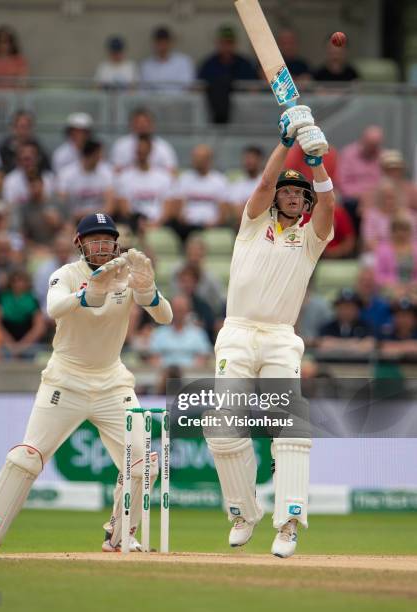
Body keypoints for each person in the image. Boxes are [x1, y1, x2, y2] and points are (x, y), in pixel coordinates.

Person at [0, 213, 173, 554]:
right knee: (27, 457)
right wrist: (87, 295)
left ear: (116, 243)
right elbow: (53, 308)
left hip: (112, 385)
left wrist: (149, 291)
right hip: (65, 381)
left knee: (143, 462)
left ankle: (119, 536)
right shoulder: (66, 274)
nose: (102, 246)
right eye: (94, 239)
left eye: (108, 239)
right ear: (79, 243)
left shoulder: (128, 275)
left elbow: (165, 317)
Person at [205, 104, 334, 558]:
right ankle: (244, 512)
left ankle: (290, 523)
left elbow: (329, 206)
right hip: (237, 332)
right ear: (278, 197)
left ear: (307, 201)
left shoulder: (312, 239)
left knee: (291, 428)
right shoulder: (252, 224)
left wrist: (317, 166)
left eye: (301, 193)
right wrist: (285, 144)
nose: (293, 196)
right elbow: (262, 183)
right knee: (221, 427)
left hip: (280, 335)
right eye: (287, 191)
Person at [197, 25, 258, 124]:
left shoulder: (245, 63)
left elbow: (254, 88)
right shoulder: (208, 63)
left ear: (235, 43)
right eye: (223, 42)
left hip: (244, 117)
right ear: (217, 43)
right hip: (211, 118)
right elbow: (199, 87)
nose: (226, 46)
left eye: (229, 42)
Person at [113, 134, 174, 231]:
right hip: (132, 225)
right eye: (139, 150)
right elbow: (124, 208)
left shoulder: (164, 177)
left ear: (150, 151)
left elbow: (167, 209)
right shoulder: (124, 177)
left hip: (158, 226)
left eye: (144, 150)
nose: (141, 153)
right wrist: (137, 224)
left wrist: (155, 224)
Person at [57, 140, 114, 222]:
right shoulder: (67, 174)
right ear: (91, 155)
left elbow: (110, 208)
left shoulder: (106, 173)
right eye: (99, 154)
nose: (101, 157)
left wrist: (85, 214)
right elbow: (61, 203)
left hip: (100, 220)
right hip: (73, 221)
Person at [149, 294, 211, 369]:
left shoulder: (198, 334)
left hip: (191, 376)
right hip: (164, 376)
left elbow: (203, 359)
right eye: (175, 310)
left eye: (181, 310)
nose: (178, 313)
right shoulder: (158, 333)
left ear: (188, 311)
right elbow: (153, 359)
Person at [0, 268, 47, 360]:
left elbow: (39, 327)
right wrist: (10, 346)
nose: (18, 284)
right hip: (6, 343)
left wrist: (22, 347)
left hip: (28, 343)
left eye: (22, 281)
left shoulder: (33, 299)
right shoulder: (2, 298)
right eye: (15, 281)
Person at [110, 107, 177, 174]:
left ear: (152, 124)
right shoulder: (121, 145)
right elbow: (115, 171)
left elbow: (172, 172)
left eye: (146, 122)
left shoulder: (163, 147)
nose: (142, 125)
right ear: (131, 124)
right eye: (138, 122)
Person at [318, 288, 375, 357]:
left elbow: (368, 346)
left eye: (351, 307)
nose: (347, 311)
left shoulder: (366, 326)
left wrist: (335, 343)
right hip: (331, 365)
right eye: (343, 307)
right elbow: (323, 345)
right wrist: (355, 343)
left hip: (360, 365)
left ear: (358, 309)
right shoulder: (327, 327)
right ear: (337, 308)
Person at [140, 26, 194, 92]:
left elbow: (187, 86)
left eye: (165, 42)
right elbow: (143, 90)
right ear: (154, 44)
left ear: (171, 43)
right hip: (153, 101)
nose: (162, 46)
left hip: (178, 101)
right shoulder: (147, 65)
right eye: (159, 43)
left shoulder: (183, 62)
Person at [3, 142, 55, 207]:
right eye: (25, 159)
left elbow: (54, 203)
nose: (28, 163)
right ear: (18, 160)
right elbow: (9, 204)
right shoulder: (10, 180)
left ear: (38, 158)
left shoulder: (49, 178)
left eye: (31, 158)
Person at [0, 110, 50, 174]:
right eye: (22, 127)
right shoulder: (4, 148)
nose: (24, 131)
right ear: (13, 128)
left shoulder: (39, 148)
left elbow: (46, 171)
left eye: (28, 127)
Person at [227, 146, 264, 223]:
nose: (249, 162)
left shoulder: (267, 183)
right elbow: (236, 211)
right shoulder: (237, 184)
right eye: (246, 158)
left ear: (260, 160)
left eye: (252, 158)